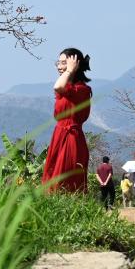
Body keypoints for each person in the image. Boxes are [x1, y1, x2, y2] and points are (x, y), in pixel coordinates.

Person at [42, 48, 92, 193]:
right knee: (52, 178)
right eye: (58, 62)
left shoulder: (81, 89)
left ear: (74, 64)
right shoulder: (67, 88)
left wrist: (69, 71)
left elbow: (58, 86)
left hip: (71, 138)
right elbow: (59, 87)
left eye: (64, 63)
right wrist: (68, 72)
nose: (59, 66)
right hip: (59, 135)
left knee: (65, 181)